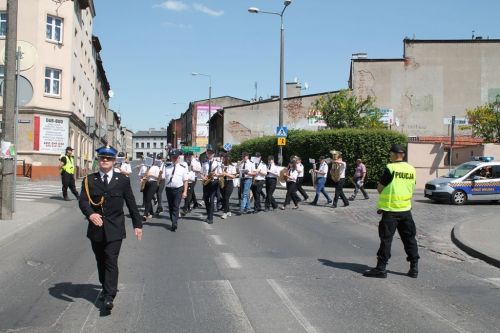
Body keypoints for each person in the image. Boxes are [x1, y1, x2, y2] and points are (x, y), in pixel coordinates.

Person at [78, 145, 142, 311]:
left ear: (114, 161)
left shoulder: (122, 180)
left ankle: (109, 295)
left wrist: (137, 224)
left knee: (111, 259)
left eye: (109, 158)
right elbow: (83, 201)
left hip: (115, 228)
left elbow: (131, 203)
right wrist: (91, 214)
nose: (105, 161)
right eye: (102, 158)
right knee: (100, 260)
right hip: (96, 228)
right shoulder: (89, 180)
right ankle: (105, 286)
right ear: (98, 160)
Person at [363, 144, 419, 279]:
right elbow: (412, 186)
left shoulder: (390, 168)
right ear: (403, 155)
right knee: (410, 239)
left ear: (394, 154)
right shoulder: (411, 169)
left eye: (390, 154)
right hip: (406, 210)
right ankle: (414, 268)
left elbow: (380, 188)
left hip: (391, 210)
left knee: (386, 240)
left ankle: (381, 269)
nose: (390, 156)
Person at [163, 149, 188, 231]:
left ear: (178, 158)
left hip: (178, 189)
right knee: (171, 206)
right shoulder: (166, 167)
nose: (174, 159)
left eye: (175, 157)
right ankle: (173, 219)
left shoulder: (183, 167)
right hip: (169, 189)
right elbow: (162, 177)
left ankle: (174, 223)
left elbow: (185, 180)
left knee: (176, 206)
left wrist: (185, 191)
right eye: (173, 157)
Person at [201, 145, 221, 224]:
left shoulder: (217, 163)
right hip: (206, 182)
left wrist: (215, 174)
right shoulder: (204, 162)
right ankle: (209, 214)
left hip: (214, 182)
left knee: (212, 199)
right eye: (209, 153)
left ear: (213, 154)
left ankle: (210, 218)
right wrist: (204, 177)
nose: (210, 154)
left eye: (211, 153)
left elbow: (220, 174)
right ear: (206, 153)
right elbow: (201, 173)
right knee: (205, 199)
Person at [220, 154, 237, 219]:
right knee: (224, 198)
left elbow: (233, 176)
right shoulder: (221, 165)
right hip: (222, 182)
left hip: (229, 182)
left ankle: (225, 213)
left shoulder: (232, 166)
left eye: (224, 158)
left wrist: (226, 174)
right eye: (223, 158)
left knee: (226, 198)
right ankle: (228, 211)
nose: (222, 159)